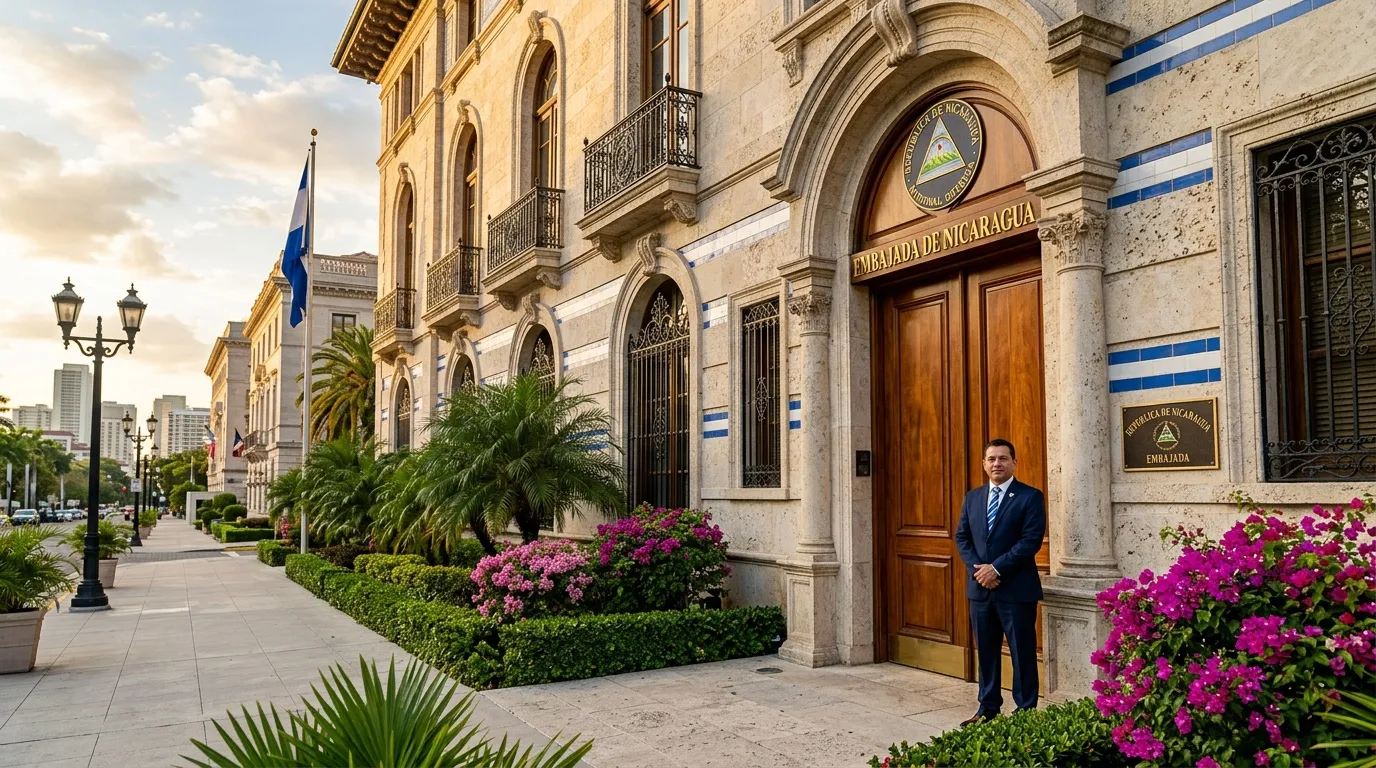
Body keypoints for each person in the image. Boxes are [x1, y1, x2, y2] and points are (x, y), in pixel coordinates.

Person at [954, 438, 1046, 726]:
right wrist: (979, 571)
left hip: (1017, 590)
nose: (997, 464)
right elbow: (962, 537)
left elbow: (1030, 541)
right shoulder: (973, 497)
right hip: (980, 591)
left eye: (1003, 458)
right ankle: (988, 708)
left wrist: (996, 569)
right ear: (984, 464)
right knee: (987, 651)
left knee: (1022, 651)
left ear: (1014, 463)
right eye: (991, 459)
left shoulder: (1030, 497)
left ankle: (1026, 711)